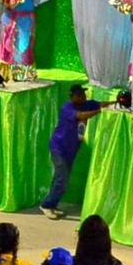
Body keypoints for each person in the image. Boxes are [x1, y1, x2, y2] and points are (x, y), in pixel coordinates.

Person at [40, 85, 100, 219]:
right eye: (79, 95)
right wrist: (98, 111)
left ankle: (52, 205)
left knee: (60, 179)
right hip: (59, 148)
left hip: (70, 150)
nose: (83, 97)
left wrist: (116, 102)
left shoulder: (87, 105)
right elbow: (82, 116)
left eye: (83, 94)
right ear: (72, 97)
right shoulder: (67, 108)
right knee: (62, 179)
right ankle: (46, 205)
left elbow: (102, 104)